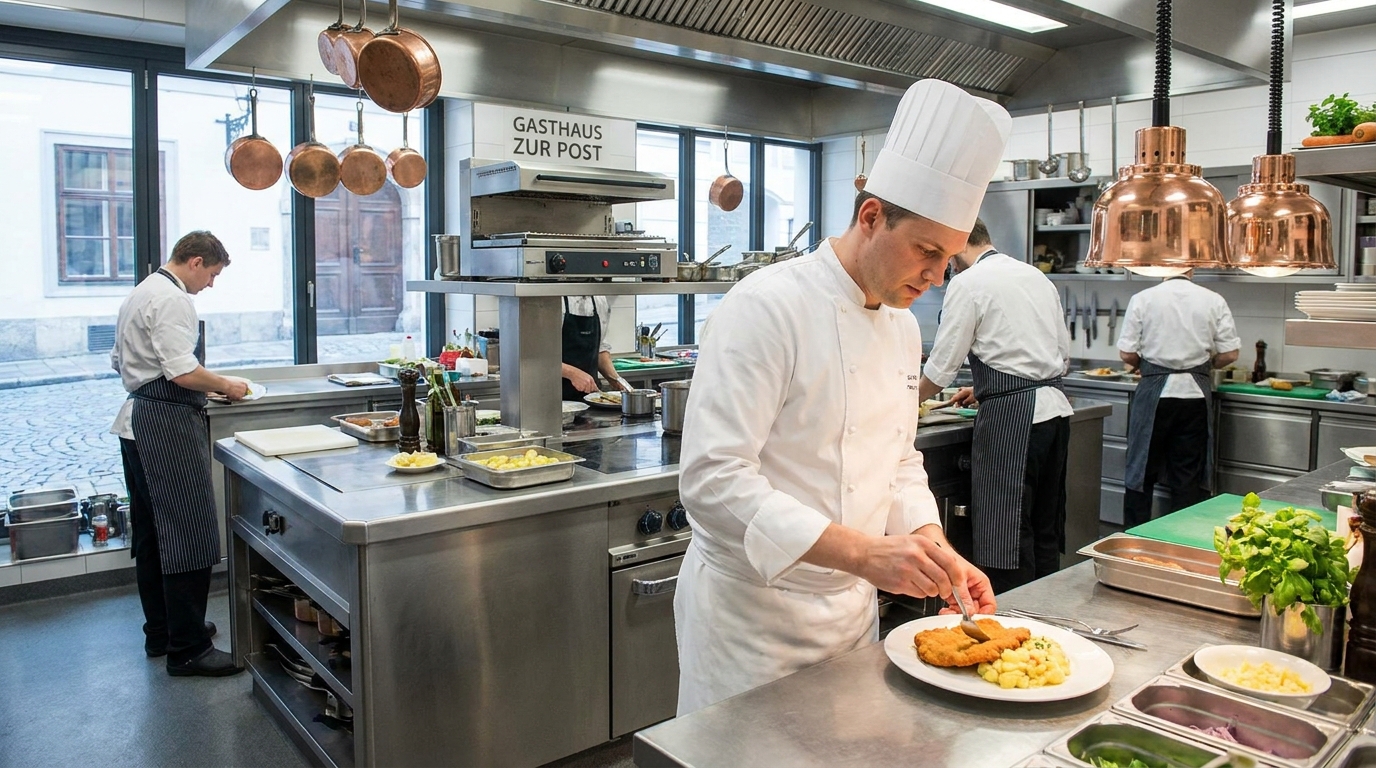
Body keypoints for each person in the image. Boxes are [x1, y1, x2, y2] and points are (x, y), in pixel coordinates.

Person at [674, 79, 1010, 716]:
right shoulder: (766, 307)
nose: (937, 276)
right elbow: (713, 481)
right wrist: (865, 553)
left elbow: (898, 460)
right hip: (752, 623)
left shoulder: (902, 326)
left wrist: (934, 548)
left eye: (949, 259)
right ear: (871, 216)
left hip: (852, 616)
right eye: (927, 251)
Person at [110, 231, 248, 677]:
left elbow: (119, 361)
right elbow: (182, 372)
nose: (211, 284)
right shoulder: (172, 299)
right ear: (194, 262)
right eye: (212, 274)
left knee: (152, 534)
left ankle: (164, 631)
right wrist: (226, 386)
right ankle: (188, 649)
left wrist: (200, 388)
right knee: (189, 531)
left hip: (138, 420)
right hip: (165, 425)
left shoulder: (142, 291)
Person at [917, 219, 1073, 594]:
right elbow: (1059, 356)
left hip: (1014, 420)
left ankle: (1012, 616)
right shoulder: (1035, 276)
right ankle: (1046, 616)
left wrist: (905, 400)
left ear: (956, 245)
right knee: (1044, 528)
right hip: (1054, 414)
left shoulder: (968, 283)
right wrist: (987, 387)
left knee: (1008, 536)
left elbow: (941, 368)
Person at [1117, 272, 1240, 527]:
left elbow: (1127, 354)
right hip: (1194, 397)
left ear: (1160, 267)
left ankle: (1133, 536)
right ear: (1192, 269)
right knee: (1187, 476)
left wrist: (1148, 367)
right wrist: (1205, 366)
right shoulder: (1213, 299)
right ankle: (1181, 536)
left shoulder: (1143, 298)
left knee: (1142, 471)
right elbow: (1230, 354)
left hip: (1154, 395)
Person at [559, 295, 629, 401]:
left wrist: (616, 380)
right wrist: (572, 373)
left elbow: (600, 349)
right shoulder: (554, 299)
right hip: (555, 397)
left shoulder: (599, 300)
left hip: (591, 396)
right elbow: (538, 356)